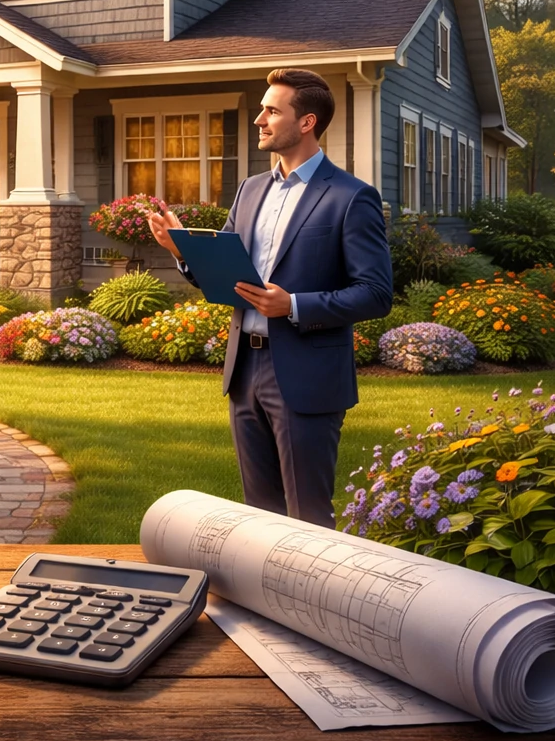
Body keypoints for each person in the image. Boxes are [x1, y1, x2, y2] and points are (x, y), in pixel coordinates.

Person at [148, 68, 392, 527]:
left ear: (307, 122)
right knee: (260, 518)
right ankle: (266, 601)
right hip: (245, 372)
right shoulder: (250, 189)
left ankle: (316, 600)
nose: (260, 119)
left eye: (271, 110)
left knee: (308, 516)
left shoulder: (350, 197)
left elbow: (376, 294)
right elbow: (228, 276)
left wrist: (294, 306)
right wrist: (182, 249)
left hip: (306, 377)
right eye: (262, 109)